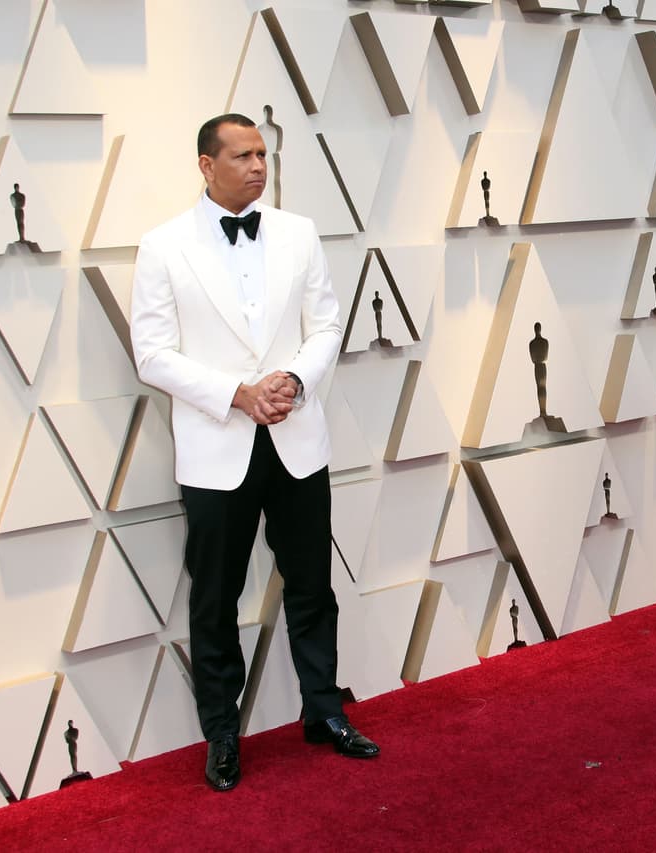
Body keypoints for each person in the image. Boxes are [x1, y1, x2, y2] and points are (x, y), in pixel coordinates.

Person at [130, 113, 379, 793]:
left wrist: (293, 381)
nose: (258, 166)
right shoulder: (162, 247)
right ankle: (222, 734)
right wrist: (237, 394)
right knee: (214, 599)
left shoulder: (298, 233)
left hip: (297, 438)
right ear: (206, 164)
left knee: (312, 586)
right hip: (217, 448)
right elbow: (151, 353)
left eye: (263, 154)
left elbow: (326, 324)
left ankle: (324, 711)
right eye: (241, 155)